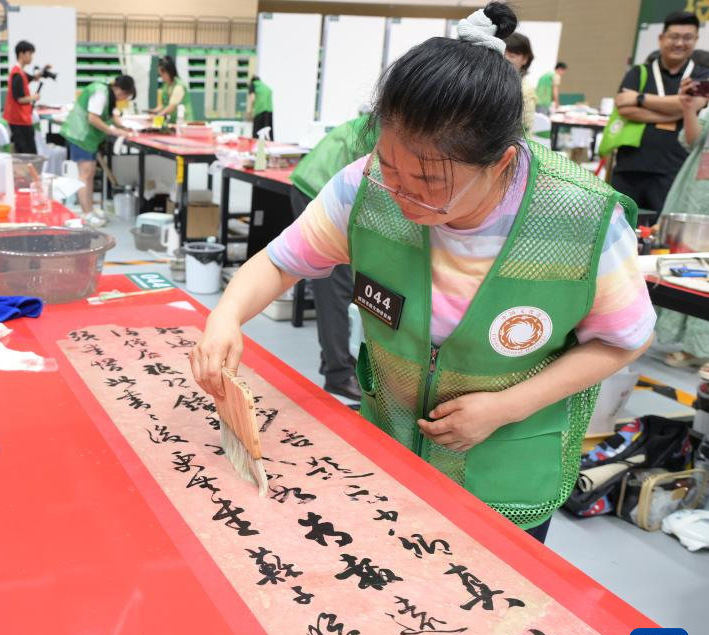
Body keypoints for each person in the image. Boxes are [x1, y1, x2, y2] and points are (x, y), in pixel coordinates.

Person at [190, 3, 655, 544]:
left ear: (501, 164)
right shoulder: (365, 186)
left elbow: (623, 340)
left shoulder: (580, 218)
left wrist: (507, 406)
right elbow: (278, 262)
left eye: (429, 181)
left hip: (504, 473)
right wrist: (226, 317)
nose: (400, 193)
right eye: (390, 167)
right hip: (386, 451)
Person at [289, 110, 378, 402]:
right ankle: (338, 374)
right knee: (334, 285)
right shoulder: (396, 128)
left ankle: (334, 360)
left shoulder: (388, 118)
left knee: (339, 283)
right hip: (320, 189)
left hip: (316, 180)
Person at [611, 11, 709, 219]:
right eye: (674, 37)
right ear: (661, 38)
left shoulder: (701, 75)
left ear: (696, 40)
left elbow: (696, 104)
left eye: (687, 37)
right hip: (630, 167)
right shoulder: (638, 72)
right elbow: (624, 108)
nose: (680, 43)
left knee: (663, 231)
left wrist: (640, 98)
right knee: (618, 226)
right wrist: (676, 113)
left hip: (673, 171)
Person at [653, 77, 709, 371]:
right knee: (691, 260)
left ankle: (702, 347)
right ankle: (693, 346)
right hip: (697, 191)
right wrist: (689, 108)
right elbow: (692, 141)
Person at [59, 76, 136, 227]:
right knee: (85, 174)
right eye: (125, 96)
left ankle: (89, 209)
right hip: (80, 135)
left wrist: (123, 127)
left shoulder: (108, 93)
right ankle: (86, 214)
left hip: (89, 138)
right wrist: (113, 131)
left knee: (90, 174)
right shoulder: (100, 93)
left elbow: (111, 115)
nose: (123, 99)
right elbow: (93, 118)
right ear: (120, 90)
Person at [4, 41, 51, 154]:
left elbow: (33, 78)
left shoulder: (20, 72)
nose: (31, 57)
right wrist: (33, 97)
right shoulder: (17, 74)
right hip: (19, 120)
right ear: (21, 54)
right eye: (30, 54)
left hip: (20, 119)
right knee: (28, 154)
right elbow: (19, 99)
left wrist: (43, 71)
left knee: (26, 153)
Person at [504, 32, 537, 132]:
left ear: (525, 59)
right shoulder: (493, 80)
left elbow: (525, 125)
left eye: (512, 56)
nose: (505, 59)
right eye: (503, 53)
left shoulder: (525, 89)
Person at [149, 56, 192, 121]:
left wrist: (157, 117)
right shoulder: (166, 85)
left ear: (170, 71)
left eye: (163, 74)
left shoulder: (179, 86)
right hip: (173, 121)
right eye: (160, 75)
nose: (162, 77)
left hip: (183, 122)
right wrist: (154, 111)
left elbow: (172, 106)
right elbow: (163, 105)